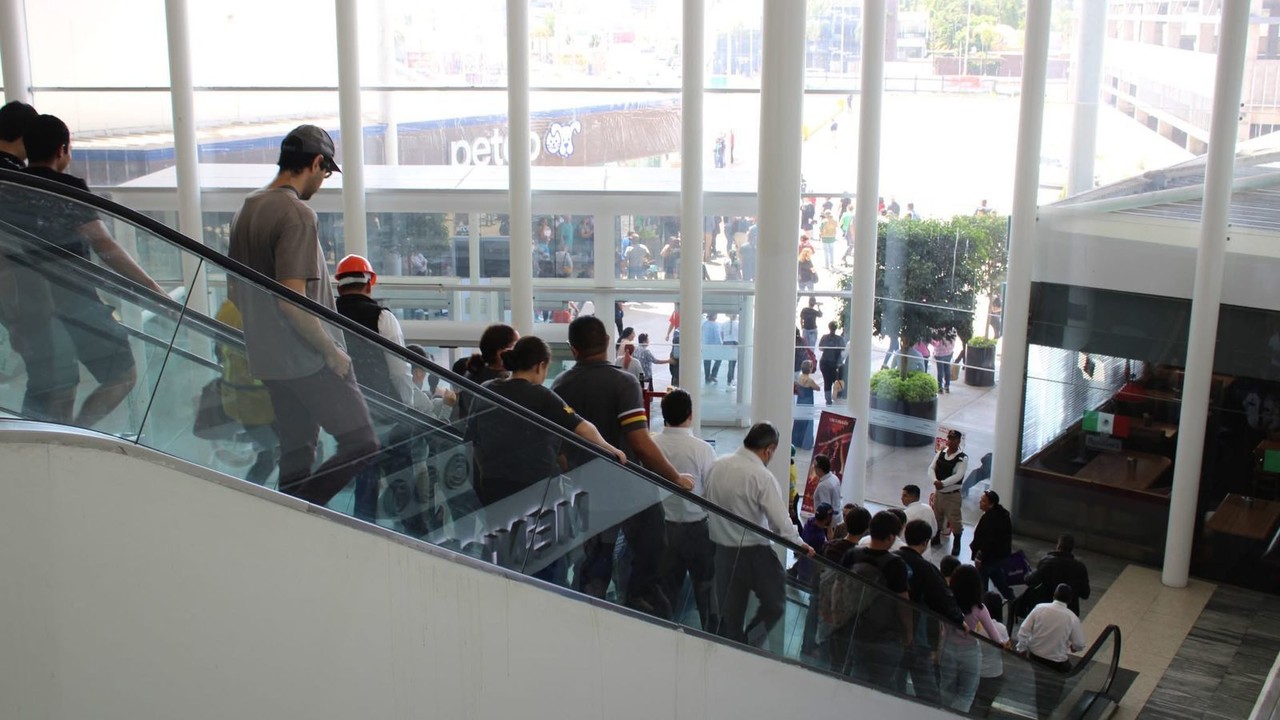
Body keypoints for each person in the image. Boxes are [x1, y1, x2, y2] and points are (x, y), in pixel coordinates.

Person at [228, 124, 378, 507]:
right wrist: (331, 352)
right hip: (306, 358)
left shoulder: (246, 209)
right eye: (325, 173)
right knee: (362, 441)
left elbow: (236, 293)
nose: (322, 182)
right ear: (315, 163)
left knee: (297, 452)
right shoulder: (296, 214)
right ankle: (303, 514)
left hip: (268, 360)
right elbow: (291, 298)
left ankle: (289, 518)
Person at [21, 114, 164, 429]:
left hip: (26, 304)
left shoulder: (12, 187)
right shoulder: (67, 187)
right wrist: (152, 288)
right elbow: (103, 243)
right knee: (123, 374)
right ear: (62, 150)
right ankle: (77, 433)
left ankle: (55, 436)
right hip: (75, 299)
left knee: (53, 379)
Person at [552, 316, 693, 619]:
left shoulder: (561, 385)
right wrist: (675, 477)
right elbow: (640, 442)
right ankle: (637, 603)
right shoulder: (623, 381)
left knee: (597, 554)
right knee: (651, 545)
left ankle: (591, 611)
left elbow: (559, 450)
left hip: (587, 487)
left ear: (572, 349)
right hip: (630, 486)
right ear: (606, 343)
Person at [332, 254, 436, 533]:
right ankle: (419, 538)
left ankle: (363, 534)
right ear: (370, 283)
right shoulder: (382, 317)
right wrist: (406, 406)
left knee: (364, 479)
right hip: (388, 413)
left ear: (338, 285)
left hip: (348, 414)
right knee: (402, 484)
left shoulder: (326, 314)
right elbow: (398, 370)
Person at [469, 336, 625, 506]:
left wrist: (486, 472)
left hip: (494, 484)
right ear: (540, 366)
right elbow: (582, 427)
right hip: (537, 487)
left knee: (501, 530)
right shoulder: (541, 395)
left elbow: (474, 440)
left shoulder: (486, 389)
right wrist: (610, 449)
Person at [0, 100, 80, 423]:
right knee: (56, 381)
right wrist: (16, 316)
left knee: (48, 379)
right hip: (29, 303)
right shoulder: (14, 182)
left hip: (22, 303)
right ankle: (40, 448)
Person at [704, 422, 815, 646]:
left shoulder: (717, 465)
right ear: (769, 449)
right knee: (775, 604)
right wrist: (799, 544)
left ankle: (734, 653)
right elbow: (780, 523)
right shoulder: (761, 477)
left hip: (722, 552)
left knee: (731, 616)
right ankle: (750, 644)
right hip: (755, 554)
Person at [651, 389, 718, 630]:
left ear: (664, 415)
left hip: (662, 528)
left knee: (666, 590)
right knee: (706, 589)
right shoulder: (702, 450)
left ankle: (663, 636)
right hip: (698, 530)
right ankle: (713, 638)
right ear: (690, 415)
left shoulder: (652, 444)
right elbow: (712, 492)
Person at [832, 511, 912, 688]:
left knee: (854, 675)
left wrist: (836, 614)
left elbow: (838, 586)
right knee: (881, 683)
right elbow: (903, 602)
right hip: (884, 635)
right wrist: (908, 632)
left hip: (854, 627)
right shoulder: (896, 564)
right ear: (891, 537)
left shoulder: (852, 554)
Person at [895, 519, 965, 704]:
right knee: (927, 691)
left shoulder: (893, 558)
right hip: (918, 637)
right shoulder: (927, 569)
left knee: (895, 682)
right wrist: (959, 620)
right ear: (926, 542)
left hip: (891, 632)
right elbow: (943, 599)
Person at [938, 564, 1007, 713]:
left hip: (948, 648)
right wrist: (1003, 644)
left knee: (946, 689)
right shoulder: (979, 609)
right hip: (970, 653)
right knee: (966, 694)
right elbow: (995, 637)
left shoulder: (947, 603)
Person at [1016, 584, 1086, 718]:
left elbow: (1023, 630)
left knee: (1040, 681)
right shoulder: (1072, 618)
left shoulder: (1040, 608)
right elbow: (1079, 643)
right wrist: (1074, 648)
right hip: (1056, 661)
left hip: (1035, 656)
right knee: (1056, 684)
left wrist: (1022, 648)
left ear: (1054, 595)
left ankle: (1042, 709)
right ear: (1070, 600)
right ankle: (1047, 711)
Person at [1012, 534, 1091, 627]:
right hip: (1070, 612)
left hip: (1046, 608)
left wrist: (1026, 574)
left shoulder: (1048, 562)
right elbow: (1085, 594)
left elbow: (1031, 580)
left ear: (1058, 546)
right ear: (1072, 549)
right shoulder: (1080, 567)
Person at [456, 323, 519, 421]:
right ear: (501, 353)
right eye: (516, 346)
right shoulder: (499, 383)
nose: (520, 351)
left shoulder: (475, 373)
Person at [971, 490, 1016, 603]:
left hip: (988, 559)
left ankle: (984, 606)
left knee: (982, 586)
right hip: (1000, 557)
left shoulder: (990, 519)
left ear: (991, 504)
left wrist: (979, 557)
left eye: (983, 501)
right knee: (1000, 581)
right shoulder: (1003, 515)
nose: (980, 502)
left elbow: (987, 541)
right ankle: (1012, 600)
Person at [972, 591, 1011, 717]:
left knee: (970, 702)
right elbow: (1006, 651)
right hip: (993, 673)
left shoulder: (974, 624)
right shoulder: (1000, 628)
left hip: (974, 670)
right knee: (985, 707)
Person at [930, 429, 968, 555]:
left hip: (952, 495)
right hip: (939, 493)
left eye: (953, 439)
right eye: (949, 438)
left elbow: (958, 475)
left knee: (955, 520)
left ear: (958, 441)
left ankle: (957, 543)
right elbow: (931, 468)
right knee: (937, 517)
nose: (950, 441)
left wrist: (943, 483)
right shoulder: (942, 452)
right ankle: (936, 537)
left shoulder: (962, 458)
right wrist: (935, 480)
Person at [818, 321, 844, 404]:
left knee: (827, 381)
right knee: (836, 381)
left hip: (824, 362)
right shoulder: (840, 339)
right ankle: (836, 397)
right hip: (834, 363)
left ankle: (828, 400)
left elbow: (820, 348)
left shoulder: (824, 337)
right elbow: (843, 350)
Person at [932, 329, 955, 394]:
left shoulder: (938, 334)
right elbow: (953, 342)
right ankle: (947, 386)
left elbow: (935, 344)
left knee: (940, 371)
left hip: (939, 355)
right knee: (947, 370)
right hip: (948, 354)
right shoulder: (950, 333)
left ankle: (940, 388)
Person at [701, 312, 722, 384]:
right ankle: (713, 375)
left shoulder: (704, 324)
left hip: (705, 345)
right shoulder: (716, 325)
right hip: (713, 347)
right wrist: (721, 345)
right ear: (713, 316)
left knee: (707, 361)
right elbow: (718, 337)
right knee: (718, 359)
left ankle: (707, 377)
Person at [721, 313, 740, 388]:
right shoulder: (738, 324)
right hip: (735, 343)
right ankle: (730, 380)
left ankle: (730, 379)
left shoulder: (724, 324)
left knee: (730, 362)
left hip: (726, 343)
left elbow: (722, 334)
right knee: (732, 363)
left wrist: (724, 340)